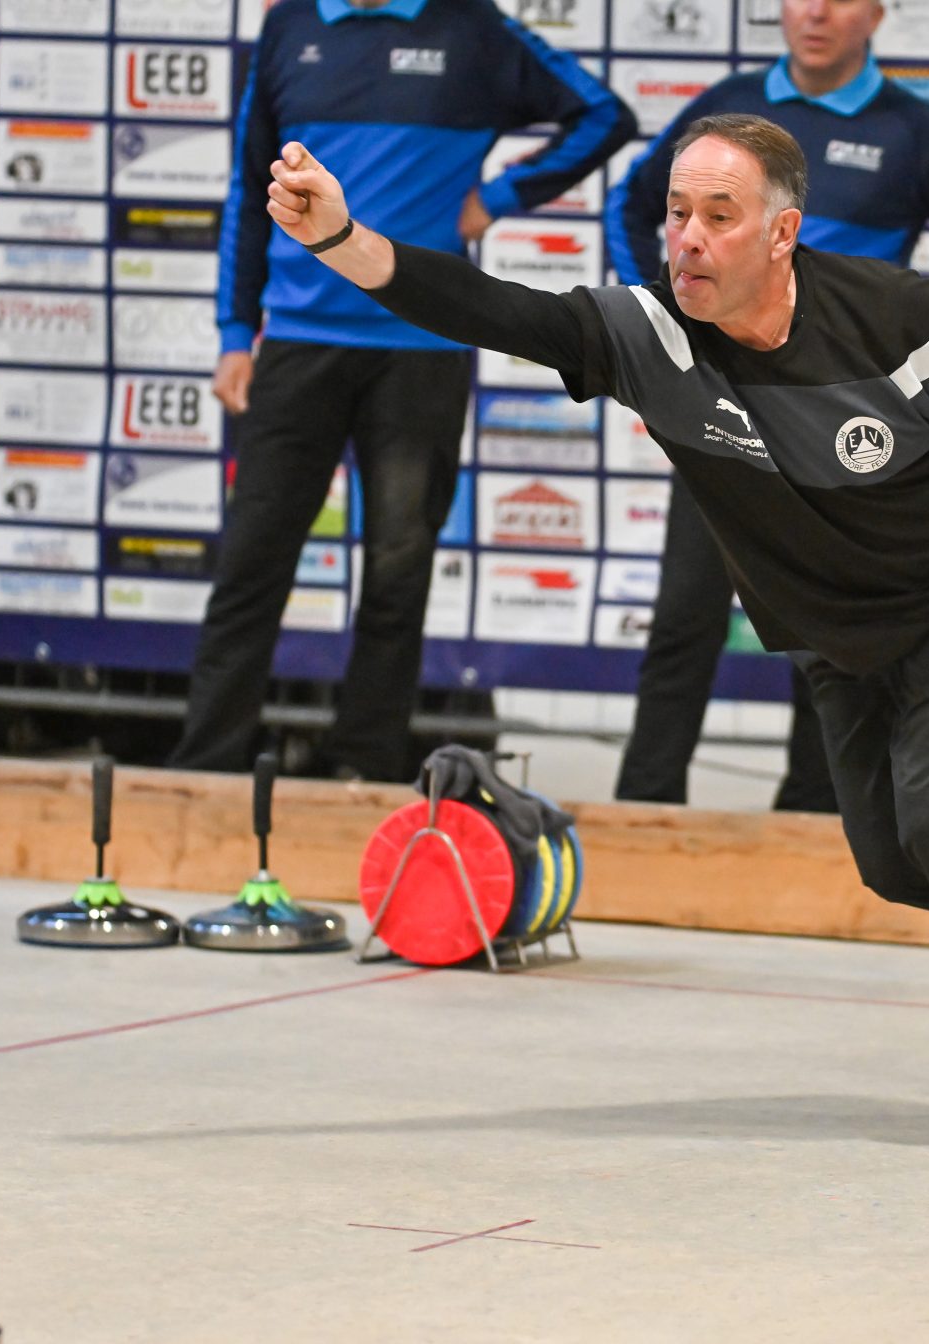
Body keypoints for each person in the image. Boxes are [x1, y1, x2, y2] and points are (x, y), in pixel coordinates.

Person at [265, 114, 929, 1150]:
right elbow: (490, 308)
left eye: (718, 215)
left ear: (781, 234)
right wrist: (343, 238)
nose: (687, 237)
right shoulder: (651, 339)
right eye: (674, 213)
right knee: (893, 862)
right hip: (833, 632)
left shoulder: (892, 315)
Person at [170, 0, 635, 781]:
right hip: (296, 344)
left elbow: (603, 114)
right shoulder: (292, 24)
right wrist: (231, 334)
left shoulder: (473, 27)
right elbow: (252, 186)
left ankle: (366, 766)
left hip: (421, 348)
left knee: (397, 573)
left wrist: (501, 198)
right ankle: (207, 765)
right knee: (252, 564)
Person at [606, 0, 929, 813]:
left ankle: (813, 815)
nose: (814, 10)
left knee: (832, 638)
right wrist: (666, 325)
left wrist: (919, 361)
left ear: (879, 12)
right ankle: (644, 804)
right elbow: (631, 207)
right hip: (726, 417)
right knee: (683, 615)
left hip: (845, 437)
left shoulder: (911, 128)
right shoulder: (725, 115)